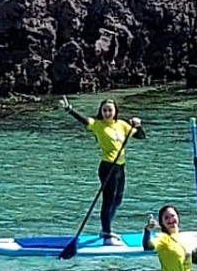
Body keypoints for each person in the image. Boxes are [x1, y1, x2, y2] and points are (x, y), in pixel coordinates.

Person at [59, 97, 145, 244]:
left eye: (110, 110)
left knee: (118, 200)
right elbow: (84, 120)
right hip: (107, 167)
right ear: (101, 111)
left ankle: (106, 229)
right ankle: (106, 234)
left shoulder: (122, 125)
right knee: (108, 200)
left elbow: (141, 136)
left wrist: (138, 125)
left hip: (120, 167)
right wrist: (69, 109)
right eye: (104, 110)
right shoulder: (98, 125)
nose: (107, 113)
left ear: (115, 111)